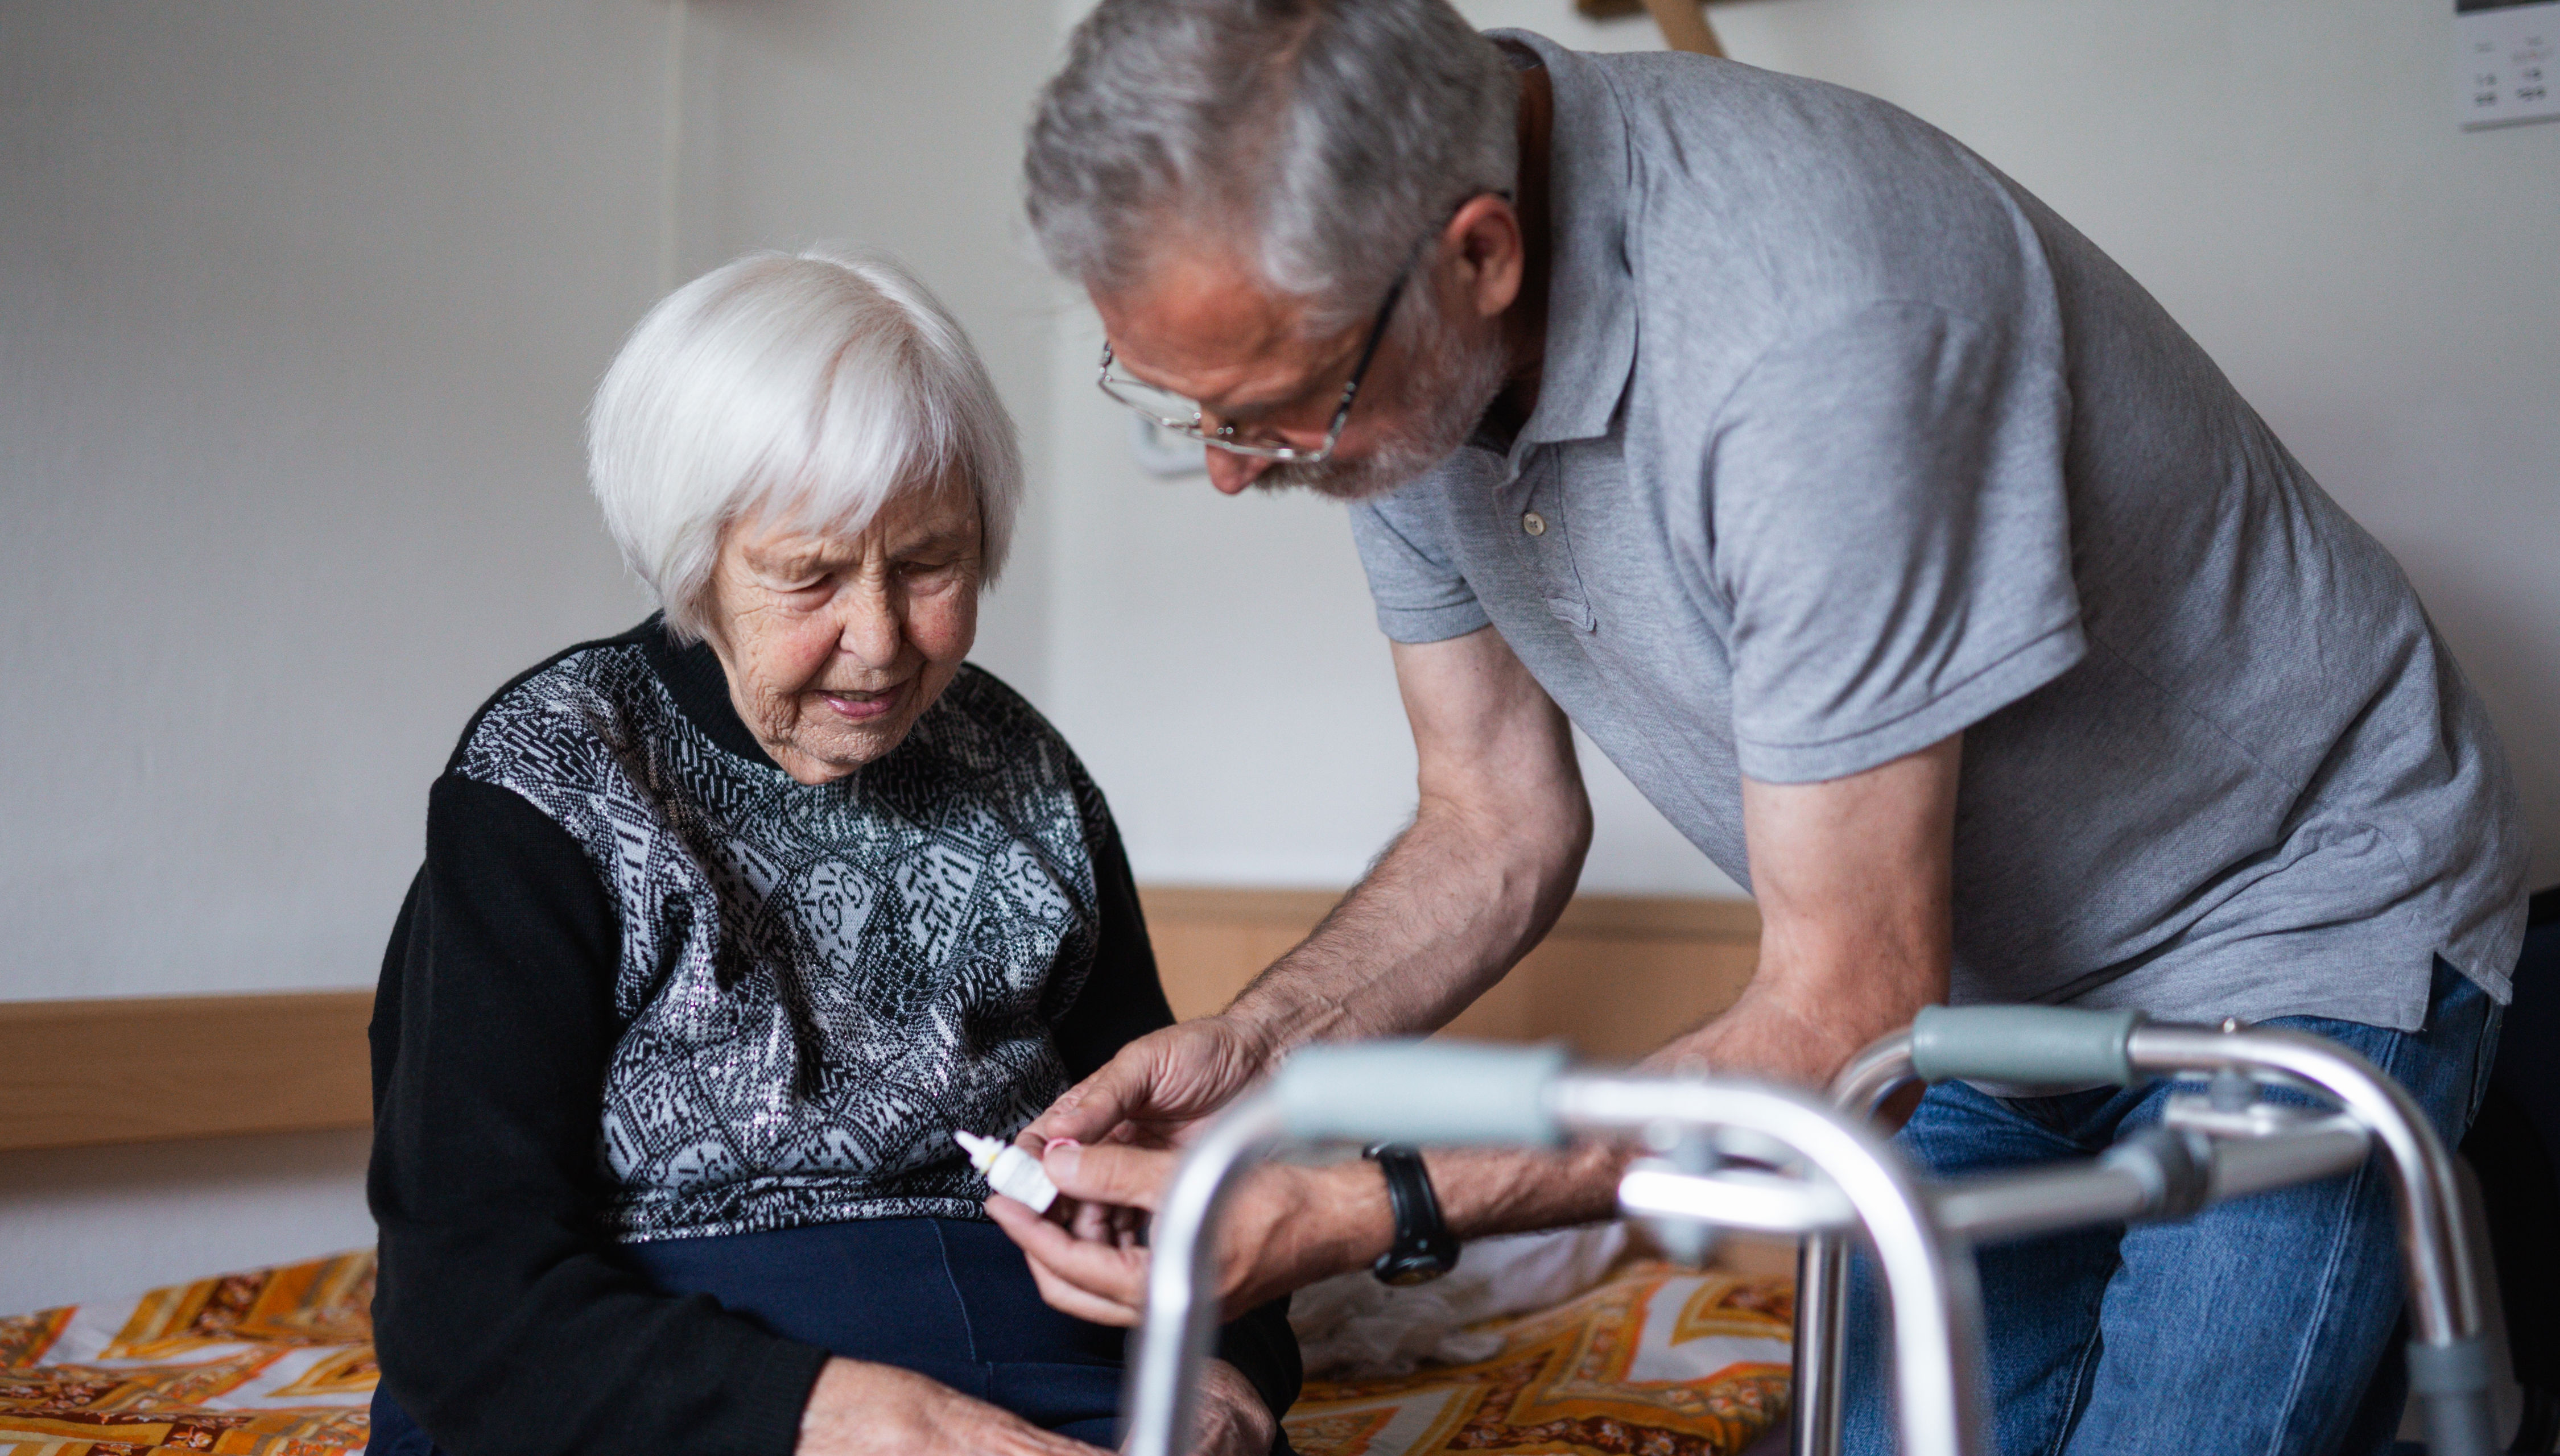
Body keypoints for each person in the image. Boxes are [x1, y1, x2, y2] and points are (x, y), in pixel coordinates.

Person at [988, 5, 2528, 1455]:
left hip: (2287, 917)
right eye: (1180, 402)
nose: (1235, 471)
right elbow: (1492, 824)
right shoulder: (1398, 360)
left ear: (1478, 254)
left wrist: (1370, 1208)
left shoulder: (1815, 337)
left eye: (1272, 411)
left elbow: (1839, 1004)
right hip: (1972, 993)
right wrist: (1248, 1057)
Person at [365, 247, 1298, 1456]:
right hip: (674, 1395)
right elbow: (466, 1306)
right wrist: (862, 1413)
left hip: (1045, 1361)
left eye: (929, 565)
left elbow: (1180, 1173)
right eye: (808, 573)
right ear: (693, 554)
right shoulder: (551, 777)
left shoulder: (1027, 770)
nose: (878, 640)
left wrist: (1230, 1358)